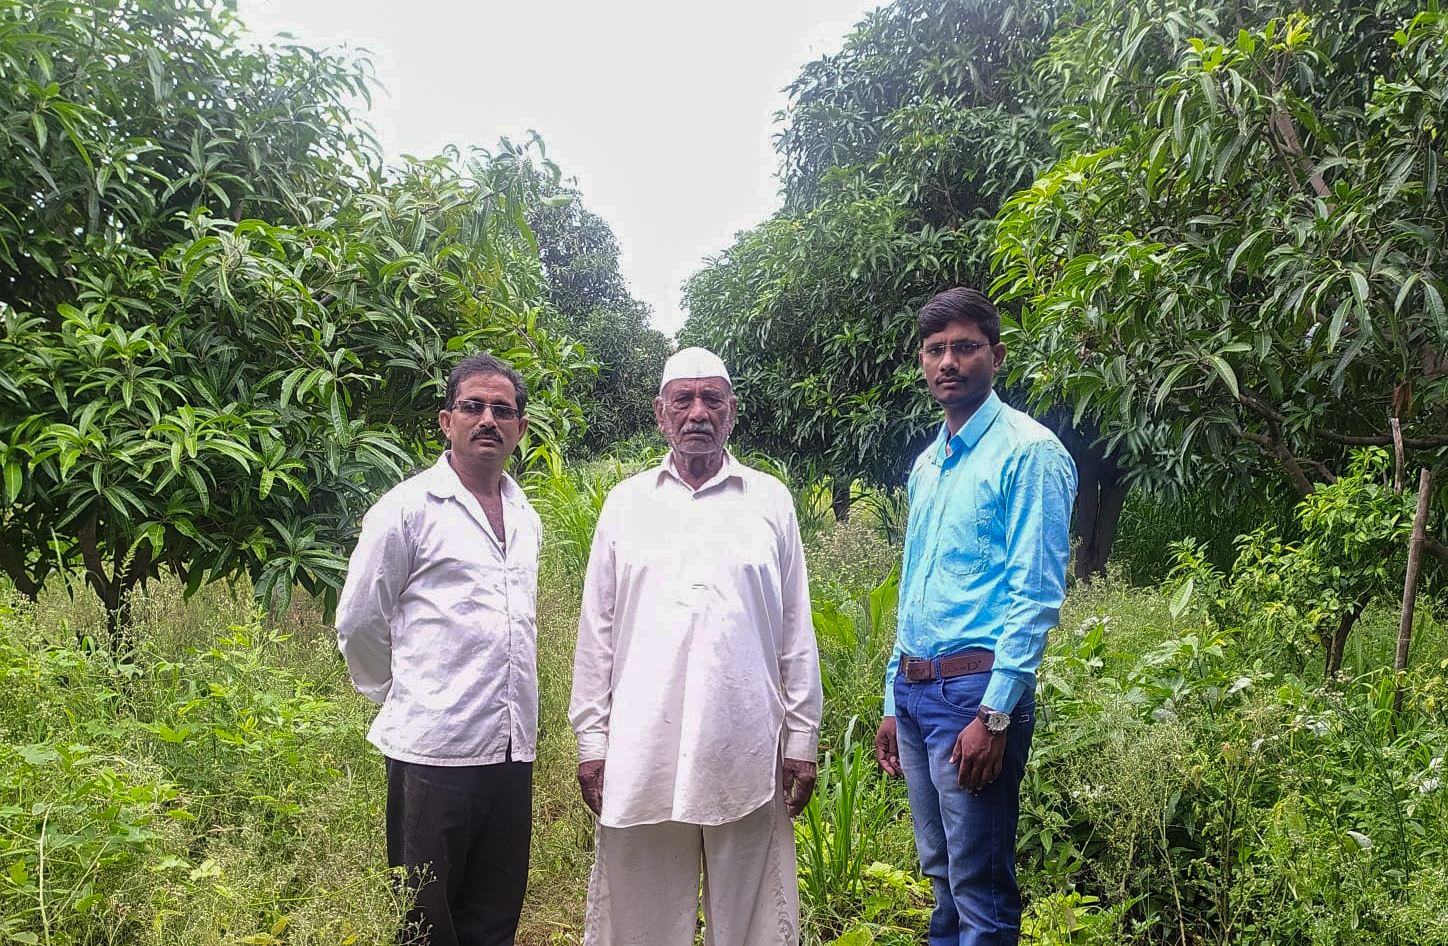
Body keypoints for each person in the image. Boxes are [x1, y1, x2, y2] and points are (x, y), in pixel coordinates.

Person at [569, 347, 823, 946]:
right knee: (639, 917)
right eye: (683, 399)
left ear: (732, 412)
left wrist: (804, 739)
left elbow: (796, 629)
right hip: (642, 750)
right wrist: (592, 740)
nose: (698, 412)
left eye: (712, 399)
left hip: (748, 746)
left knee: (755, 919)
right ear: (661, 414)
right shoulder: (626, 504)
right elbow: (596, 631)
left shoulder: (769, 502)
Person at [874, 288, 1077, 946]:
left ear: (997, 355)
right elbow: (913, 588)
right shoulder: (929, 465)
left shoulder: (1030, 453)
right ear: (923, 361)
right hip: (916, 692)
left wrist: (994, 715)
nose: (948, 363)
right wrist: (890, 695)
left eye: (965, 348)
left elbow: (1035, 595)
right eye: (935, 350)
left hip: (975, 696)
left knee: (981, 890)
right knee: (942, 879)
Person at [336, 353, 542, 946]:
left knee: (495, 912)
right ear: (446, 420)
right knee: (425, 920)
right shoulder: (408, 509)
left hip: (510, 747)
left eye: (502, 410)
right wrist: (398, 694)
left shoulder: (525, 515)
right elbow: (358, 620)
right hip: (433, 751)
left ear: (519, 429)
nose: (487, 420)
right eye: (472, 406)